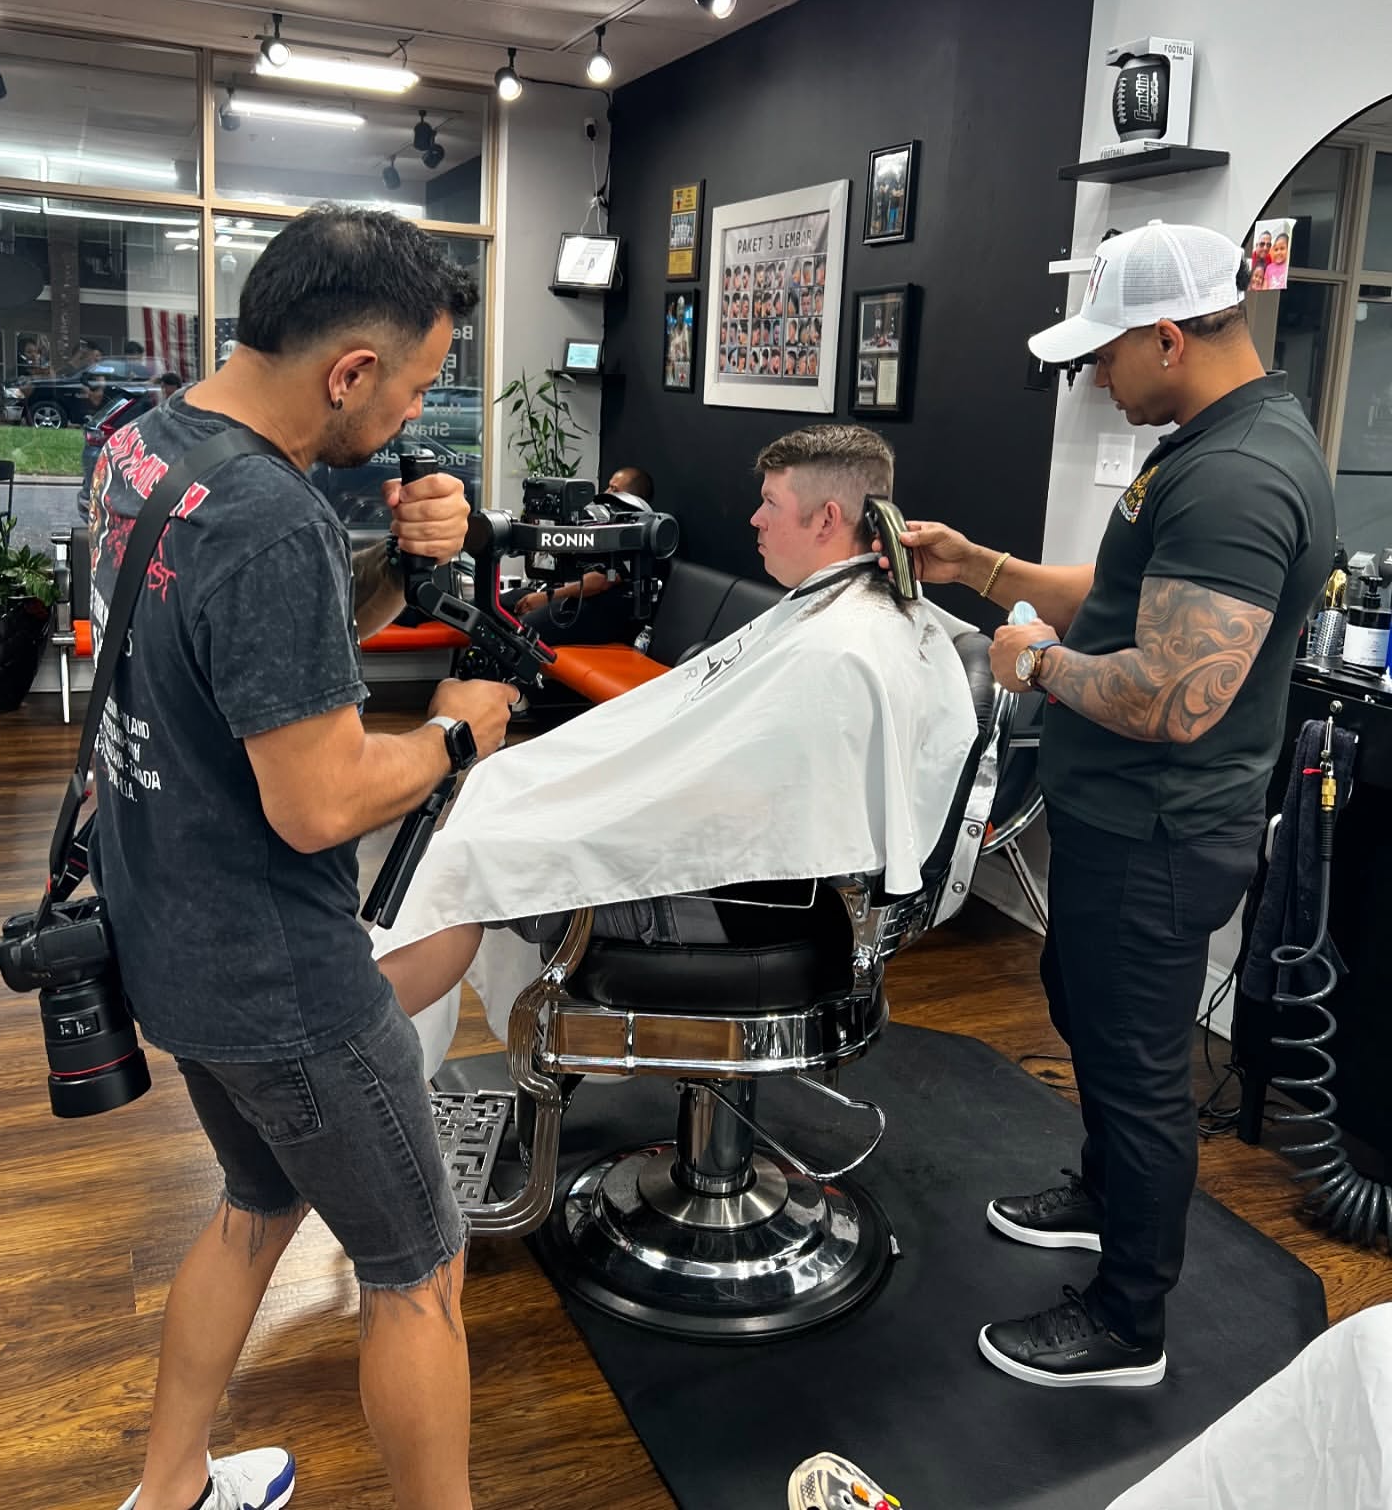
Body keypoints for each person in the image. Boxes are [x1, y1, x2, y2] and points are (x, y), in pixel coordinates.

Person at [88, 206, 518, 1510]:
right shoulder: (272, 517)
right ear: (350, 370)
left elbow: (259, 651)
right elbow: (320, 803)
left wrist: (393, 565)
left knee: (255, 1209)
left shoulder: (146, 448)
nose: (411, 416)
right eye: (414, 386)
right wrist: (457, 730)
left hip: (168, 940)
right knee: (419, 1270)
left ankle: (171, 1489)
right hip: (284, 981)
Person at [882, 222, 1334, 1391]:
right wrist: (981, 567)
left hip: (1159, 834)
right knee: (1081, 1010)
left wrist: (1030, 664)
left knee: (1138, 1077)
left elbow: (1178, 693)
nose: (1094, 378)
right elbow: (1125, 594)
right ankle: (1102, 1197)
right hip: (1118, 819)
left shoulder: (1238, 476)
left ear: (1168, 339)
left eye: (1104, 355)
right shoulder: (1204, 446)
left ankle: (1130, 1323)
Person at [371, 424, 977, 1078]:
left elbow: (736, 805)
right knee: (499, 796)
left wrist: (592, 807)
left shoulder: (839, 649)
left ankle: (354, 1073)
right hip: (751, 877)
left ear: (827, 518)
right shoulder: (857, 617)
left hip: (740, 904)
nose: (755, 519)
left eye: (770, 503)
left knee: (467, 856)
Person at [510, 465, 658, 647]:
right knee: (502, 603)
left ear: (634, 498)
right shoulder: (603, 524)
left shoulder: (634, 536)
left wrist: (548, 597)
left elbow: (602, 581)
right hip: (574, 596)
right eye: (609, 486)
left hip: (599, 611)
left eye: (614, 489)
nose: (606, 493)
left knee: (523, 629)